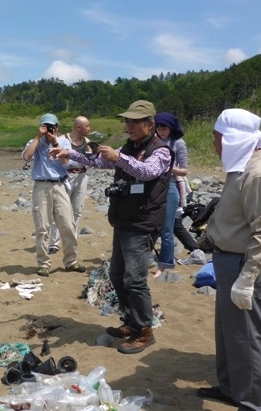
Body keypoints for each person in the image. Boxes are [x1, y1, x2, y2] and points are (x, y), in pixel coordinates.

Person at [52, 100, 172, 354]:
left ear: (149, 124)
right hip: (124, 220)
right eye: (126, 121)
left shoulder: (161, 151)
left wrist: (119, 157)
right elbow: (99, 161)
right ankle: (131, 321)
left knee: (135, 280)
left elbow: (147, 172)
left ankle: (144, 330)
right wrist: (70, 154)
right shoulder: (130, 146)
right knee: (118, 275)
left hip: (143, 223)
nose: (127, 125)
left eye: (133, 121)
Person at [197, 108, 261, 411]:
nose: (214, 144)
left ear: (232, 139)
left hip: (245, 265)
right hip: (229, 262)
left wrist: (247, 278)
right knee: (227, 335)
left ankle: (253, 403)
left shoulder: (259, 174)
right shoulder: (240, 167)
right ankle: (230, 388)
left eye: (217, 138)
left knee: (246, 340)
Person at [22, 113, 83, 277]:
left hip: (60, 184)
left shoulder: (63, 142)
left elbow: (67, 164)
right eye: (45, 126)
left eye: (51, 127)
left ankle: (71, 261)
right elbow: (26, 157)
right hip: (41, 186)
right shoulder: (35, 142)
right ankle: (43, 264)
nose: (48, 130)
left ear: (57, 128)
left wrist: (55, 143)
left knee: (67, 224)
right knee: (42, 227)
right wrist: (37, 138)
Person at [152, 112, 201, 277]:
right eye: (158, 128)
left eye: (164, 128)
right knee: (149, 223)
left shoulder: (178, 144)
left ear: (171, 128)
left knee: (168, 226)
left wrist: (167, 167)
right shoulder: (152, 141)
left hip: (171, 183)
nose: (161, 131)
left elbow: (184, 171)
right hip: (152, 185)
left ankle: (165, 263)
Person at [48, 116, 92, 255]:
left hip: (82, 176)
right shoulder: (62, 140)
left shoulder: (88, 142)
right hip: (66, 176)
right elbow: (56, 158)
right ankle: (54, 243)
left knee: (77, 209)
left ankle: (72, 240)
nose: (89, 129)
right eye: (87, 126)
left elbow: (91, 159)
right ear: (79, 127)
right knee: (60, 209)